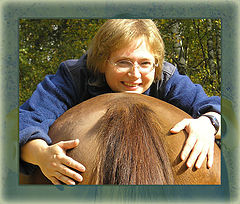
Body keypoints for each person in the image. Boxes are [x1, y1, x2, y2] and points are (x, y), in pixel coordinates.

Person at [20, 19, 221, 185]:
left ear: (156, 63)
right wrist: (41, 155)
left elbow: (223, 109)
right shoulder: (73, 76)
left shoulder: (165, 77)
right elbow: (26, 120)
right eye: (123, 62)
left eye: (145, 63)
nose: (135, 74)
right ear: (101, 62)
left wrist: (208, 123)